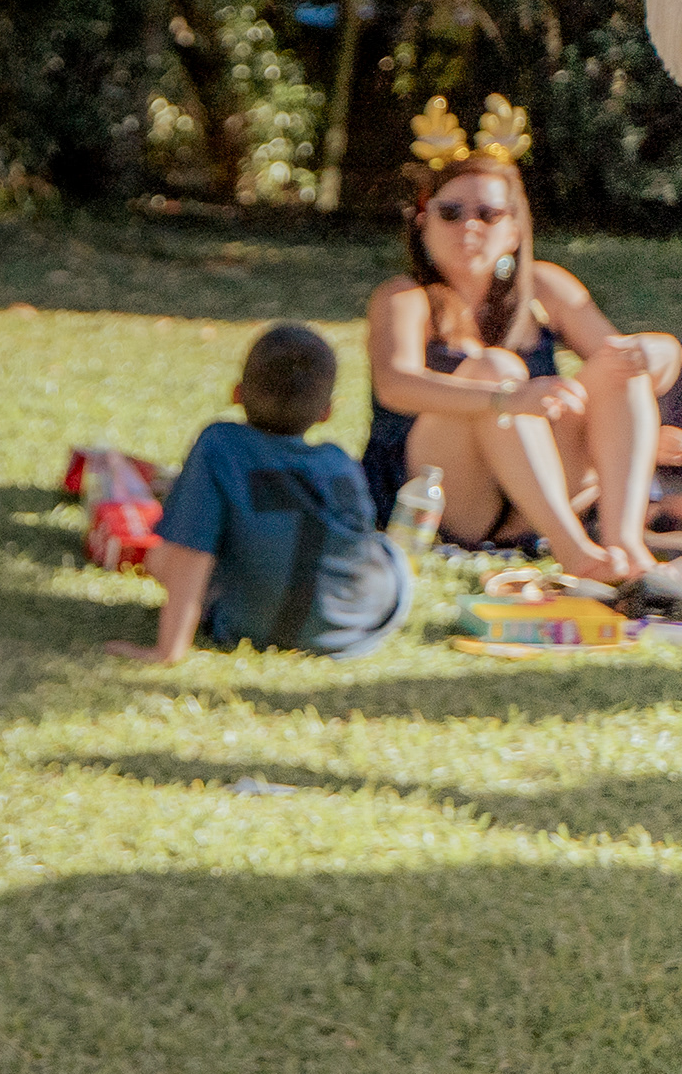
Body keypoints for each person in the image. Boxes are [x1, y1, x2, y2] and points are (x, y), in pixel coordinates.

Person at [360, 102, 682, 597]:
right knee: (493, 366)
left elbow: (630, 365)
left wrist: (660, 350)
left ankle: (624, 547)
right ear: (423, 221)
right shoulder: (405, 297)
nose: (470, 226)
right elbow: (395, 385)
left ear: (513, 230)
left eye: (488, 214)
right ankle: (577, 554)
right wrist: (507, 397)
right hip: (448, 494)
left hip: (545, 486)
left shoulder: (545, 287)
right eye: (451, 212)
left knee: (619, 364)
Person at [108, 323, 411, 664]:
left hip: (247, 623)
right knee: (391, 554)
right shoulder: (340, 463)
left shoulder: (219, 446)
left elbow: (191, 552)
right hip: (354, 626)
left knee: (163, 557)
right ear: (326, 412)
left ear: (236, 393)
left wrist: (168, 650)